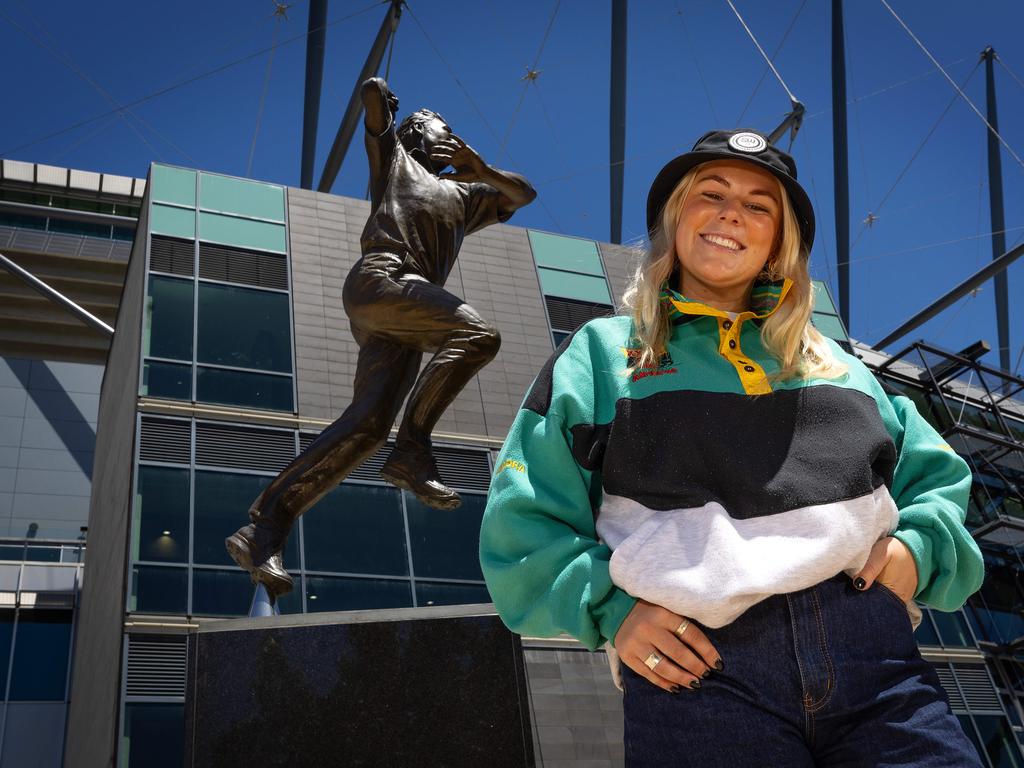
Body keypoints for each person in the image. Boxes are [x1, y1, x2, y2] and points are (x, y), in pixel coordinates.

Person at [479, 129, 985, 766]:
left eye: (758, 205)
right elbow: (523, 514)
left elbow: (936, 478)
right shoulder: (601, 353)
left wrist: (918, 549)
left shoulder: (836, 364)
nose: (730, 214)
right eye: (709, 194)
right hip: (698, 668)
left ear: (779, 244)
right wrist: (610, 609)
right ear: (675, 219)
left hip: (874, 657)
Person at [227, 77, 535, 597]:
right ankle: (413, 449)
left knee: (367, 425)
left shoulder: (466, 196)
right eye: (440, 131)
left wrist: (480, 167)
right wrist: (378, 96)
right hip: (382, 281)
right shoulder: (398, 164)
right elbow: (375, 114)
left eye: (452, 133)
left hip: (405, 316)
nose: (448, 139)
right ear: (415, 135)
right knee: (478, 335)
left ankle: (263, 529)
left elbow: (522, 194)